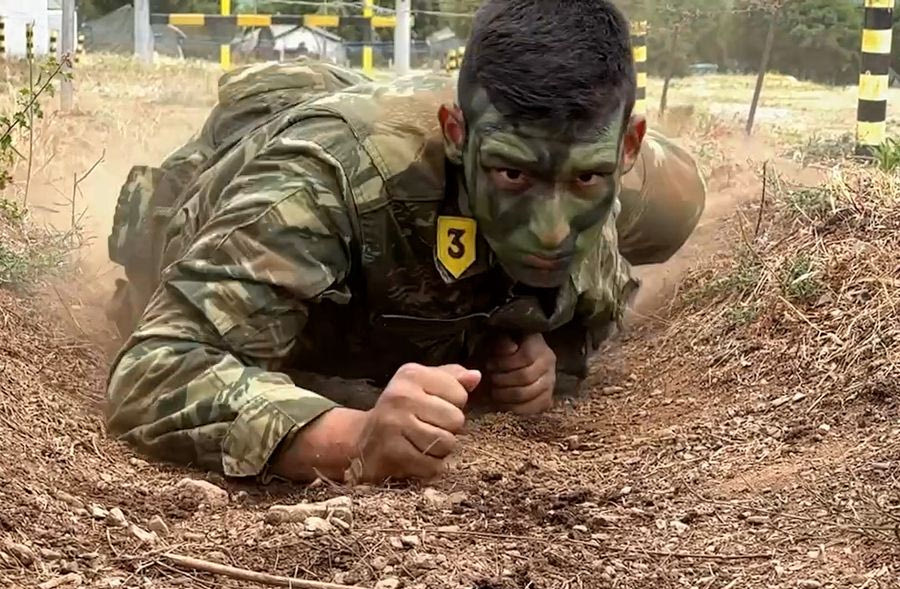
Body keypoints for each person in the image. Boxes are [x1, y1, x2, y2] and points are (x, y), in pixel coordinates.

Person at [104, 0, 706, 485]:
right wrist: (346, 439)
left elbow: (593, 312)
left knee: (680, 204)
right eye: (512, 175)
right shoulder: (319, 186)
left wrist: (550, 349)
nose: (551, 230)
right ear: (457, 137)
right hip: (265, 162)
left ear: (627, 150)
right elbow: (153, 371)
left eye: (586, 178)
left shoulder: (600, 182)